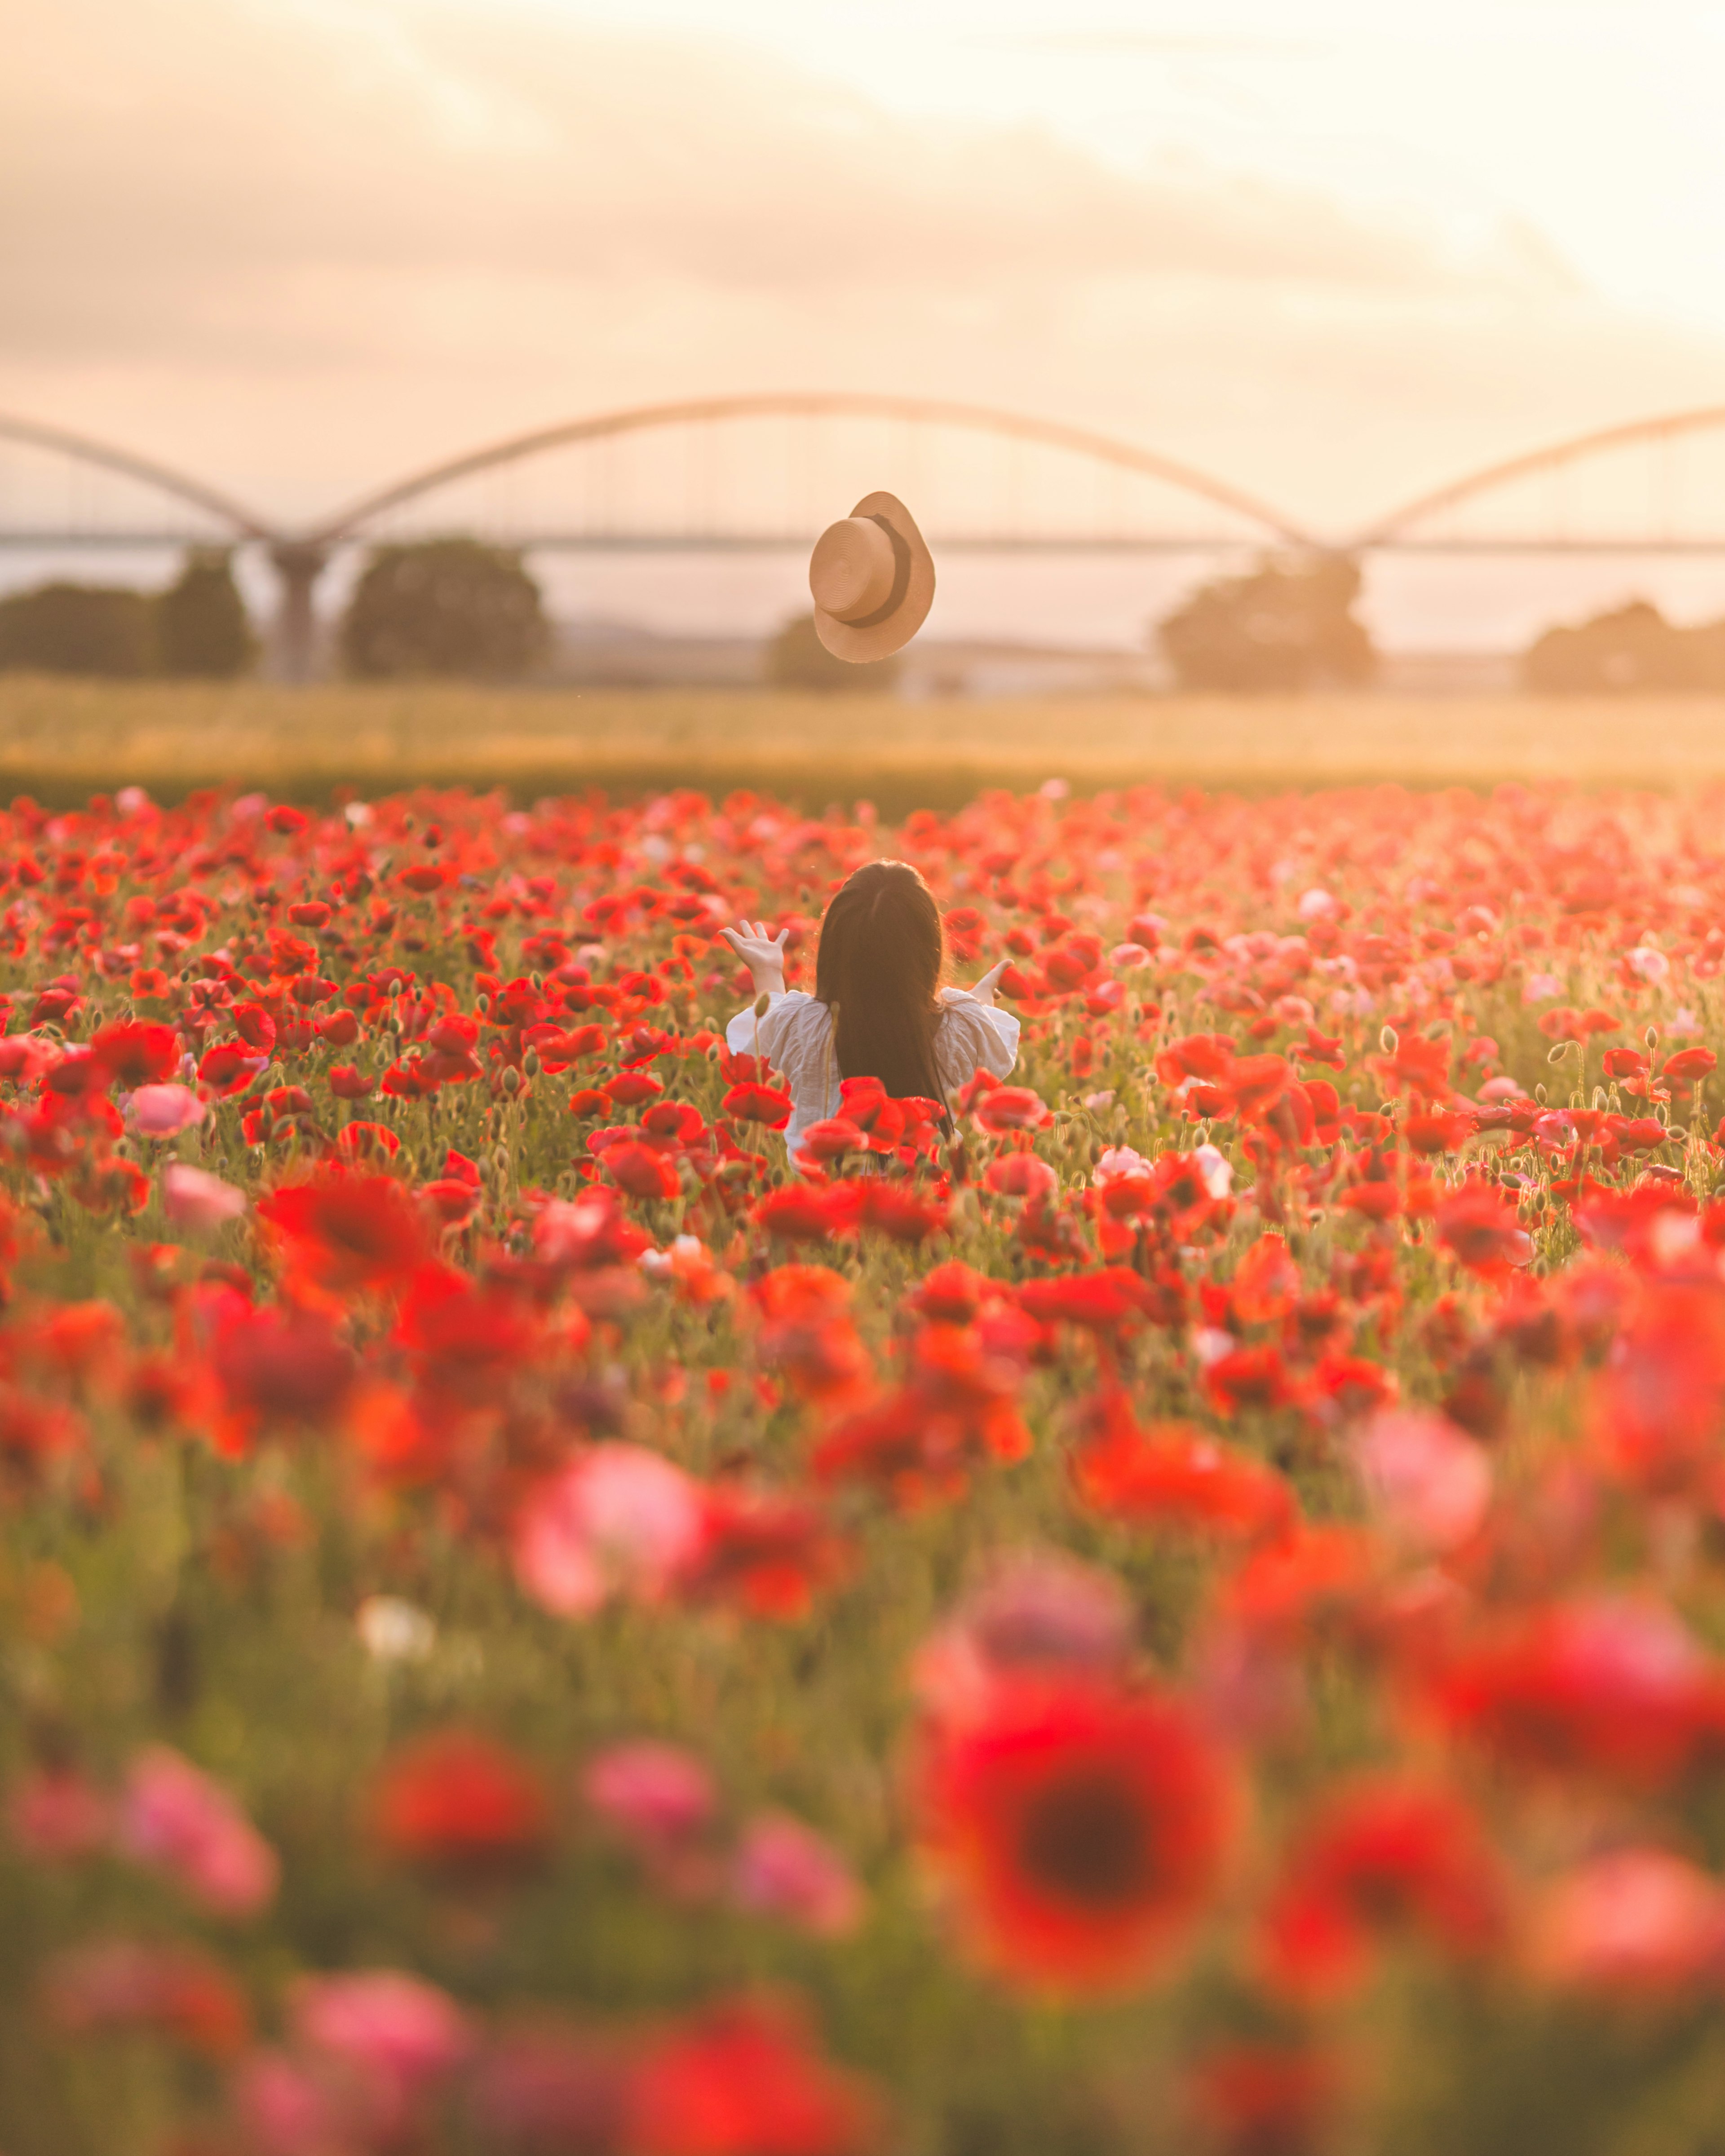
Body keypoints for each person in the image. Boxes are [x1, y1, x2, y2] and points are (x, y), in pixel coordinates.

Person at [719, 859, 1019, 1154]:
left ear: (833, 948)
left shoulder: (802, 1025)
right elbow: (986, 1051)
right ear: (928, 951)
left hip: (823, 1198)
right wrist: (978, 1002)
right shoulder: (962, 1026)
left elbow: (766, 1044)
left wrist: (767, 972)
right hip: (924, 1193)